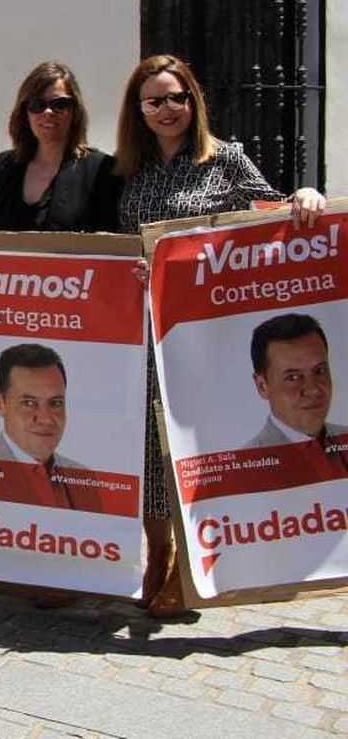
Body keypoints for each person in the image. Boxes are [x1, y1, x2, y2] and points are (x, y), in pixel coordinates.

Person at [114, 53, 326, 616]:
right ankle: (158, 555)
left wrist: (304, 198)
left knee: (190, 444)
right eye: (154, 100)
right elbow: (119, 238)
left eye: (177, 97)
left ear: (194, 101)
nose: (167, 109)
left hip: (202, 330)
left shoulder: (224, 159)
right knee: (147, 447)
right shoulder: (129, 168)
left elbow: (270, 214)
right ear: (139, 109)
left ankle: (188, 569)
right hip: (143, 325)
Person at [0, 62, 119, 233]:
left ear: (75, 112)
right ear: (25, 112)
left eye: (60, 104)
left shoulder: (102, 169)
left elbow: (109, 242)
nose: (48, 112)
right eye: (37, 104)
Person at [243, 314, 347, 470]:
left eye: (319, 371)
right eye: (292, 377)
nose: (313, 389)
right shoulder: (246, 467)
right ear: (262, 386)